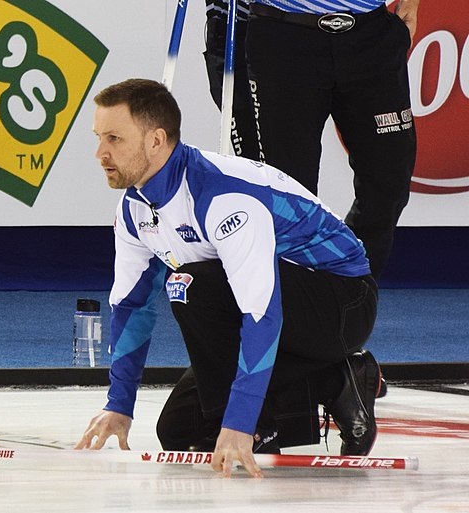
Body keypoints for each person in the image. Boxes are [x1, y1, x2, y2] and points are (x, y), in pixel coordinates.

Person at [75, 78, 380, 478]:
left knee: (190, 284)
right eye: (99, 137)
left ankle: (260, 427)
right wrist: (119, 404)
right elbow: (132, 307)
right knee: (178, 430)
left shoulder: (223, 196)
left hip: (342, 303)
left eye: (114, 138)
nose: (100, 152)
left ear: (156, 141)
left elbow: (261, 313)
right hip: (278, 308)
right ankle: (336, 379)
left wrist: (240, 424)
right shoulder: (134, 209)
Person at [203, 0, 419, 280]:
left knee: (390, 179)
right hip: (283, 33)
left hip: (370, 29)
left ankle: (348, 288)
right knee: (287, 194)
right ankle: (296, 302)